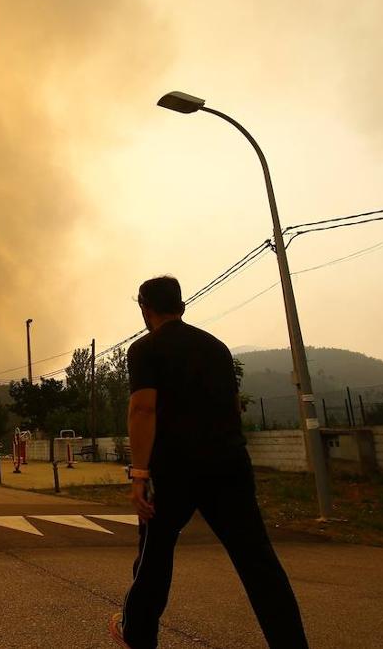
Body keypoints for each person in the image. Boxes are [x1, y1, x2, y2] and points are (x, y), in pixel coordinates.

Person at [110, 275, 308, 649]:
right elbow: (233, 406)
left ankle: (137, 634)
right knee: (257, 561)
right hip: (229, 464)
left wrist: (138, 474)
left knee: (155, 555)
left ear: (144, 308)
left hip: (173, 470)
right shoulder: (216, 347)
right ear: (182, 306)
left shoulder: (144, 349)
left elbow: (143, 407)